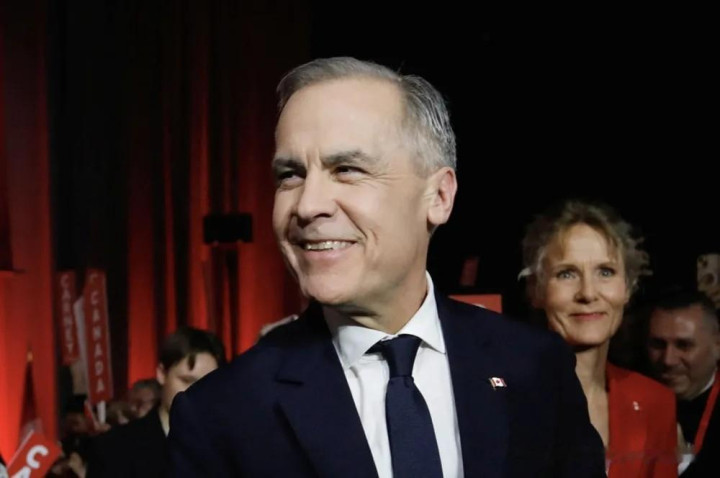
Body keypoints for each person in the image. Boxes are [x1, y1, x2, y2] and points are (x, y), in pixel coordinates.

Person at [169, 57, 604, 477]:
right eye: (290, 175)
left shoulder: (535, 368)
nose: (307, 205)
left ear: (439, 196)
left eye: (347, 169)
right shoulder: (220, 415)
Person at [521, 199, 677, 477]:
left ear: (628, 287)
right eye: (567, 274)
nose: (588, 293)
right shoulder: (507, 399)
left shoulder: (655, 402)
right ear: (536, 290)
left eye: (606, 272)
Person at [87, 326, 225, 477]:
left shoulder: (229, 450)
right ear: (161, 374)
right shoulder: (114, 448)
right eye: (186, 381)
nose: (197, 393)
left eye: (208, 385)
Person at [647, 290, 720, 476]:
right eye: (658, 345)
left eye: (684, 345)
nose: (668, 360)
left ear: (717, 345)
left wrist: (681, 464)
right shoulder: (630, 399)